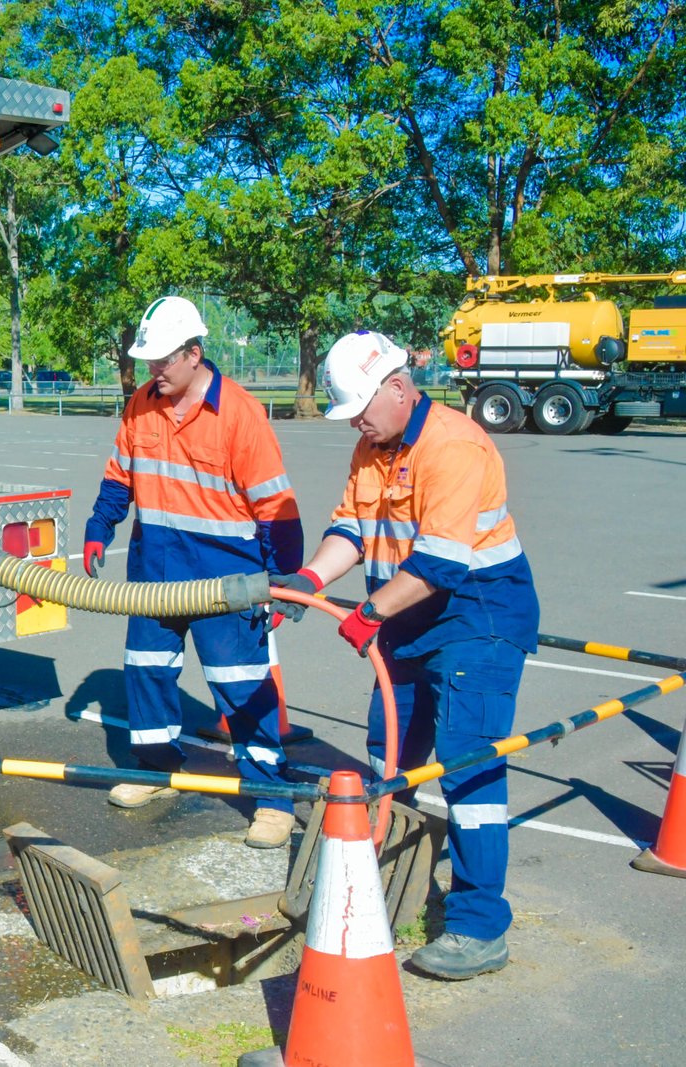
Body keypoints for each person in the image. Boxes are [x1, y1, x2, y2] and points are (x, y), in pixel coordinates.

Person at [272, 330, 538, 980]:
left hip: (477, 616)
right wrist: (309, 581)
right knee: (385, 752)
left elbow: (441, 563)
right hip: (406, 616)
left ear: (399, 386)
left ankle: (479, 926)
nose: (357, 421)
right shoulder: (372, 447)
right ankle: (386, 888)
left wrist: (367, 613)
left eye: (362, 405)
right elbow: (351, 529)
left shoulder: (454, 445)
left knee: (469, 765)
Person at [83, 296, 304, 848]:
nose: (153, 370)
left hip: (225, 578)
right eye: (149, 359)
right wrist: (98, 526)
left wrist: (283, 583)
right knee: (148, 670)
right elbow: (119, 479)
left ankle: (272, 798)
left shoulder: (241, 415)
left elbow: (278, 508)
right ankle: (158, 772)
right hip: (154, 570)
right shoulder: (141, 404)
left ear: (195, 353)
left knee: (240, 686)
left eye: (163, 360)